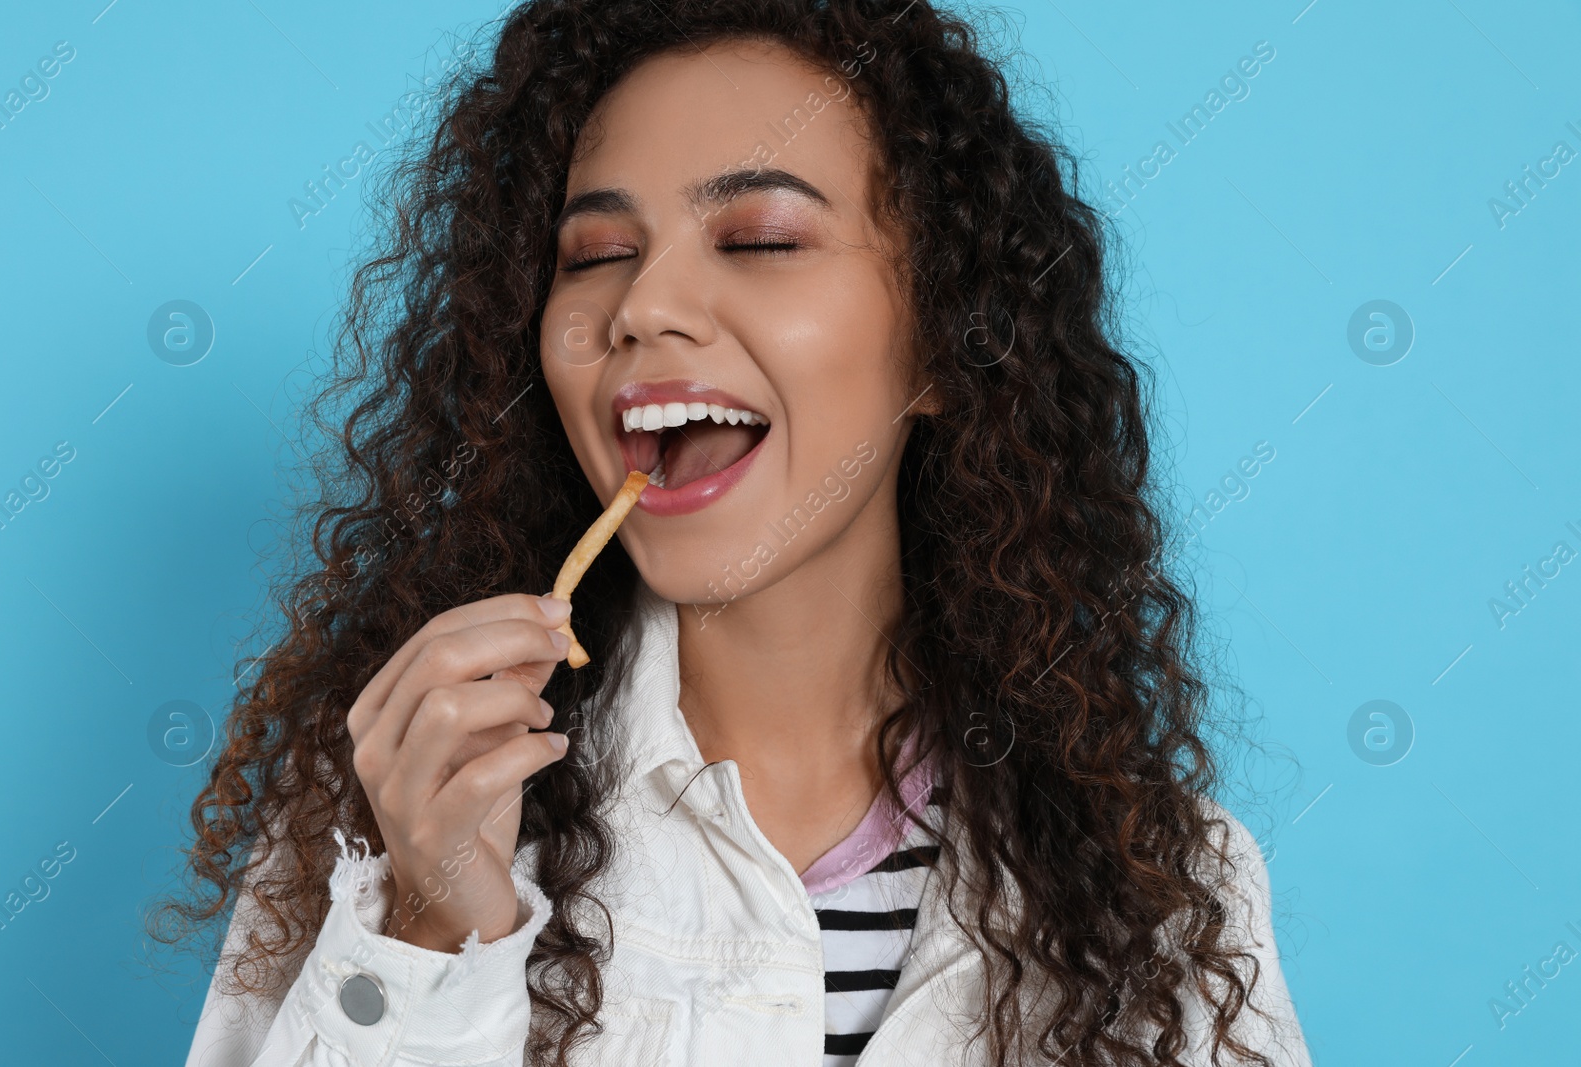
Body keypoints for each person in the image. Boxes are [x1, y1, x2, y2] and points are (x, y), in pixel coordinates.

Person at [158, 1, 1314, 1064]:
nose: (641, 306)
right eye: (596, 255)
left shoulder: (1167, 890)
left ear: (945, 344)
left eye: (759, 238)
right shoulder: (394, 805)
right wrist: (427, 929)